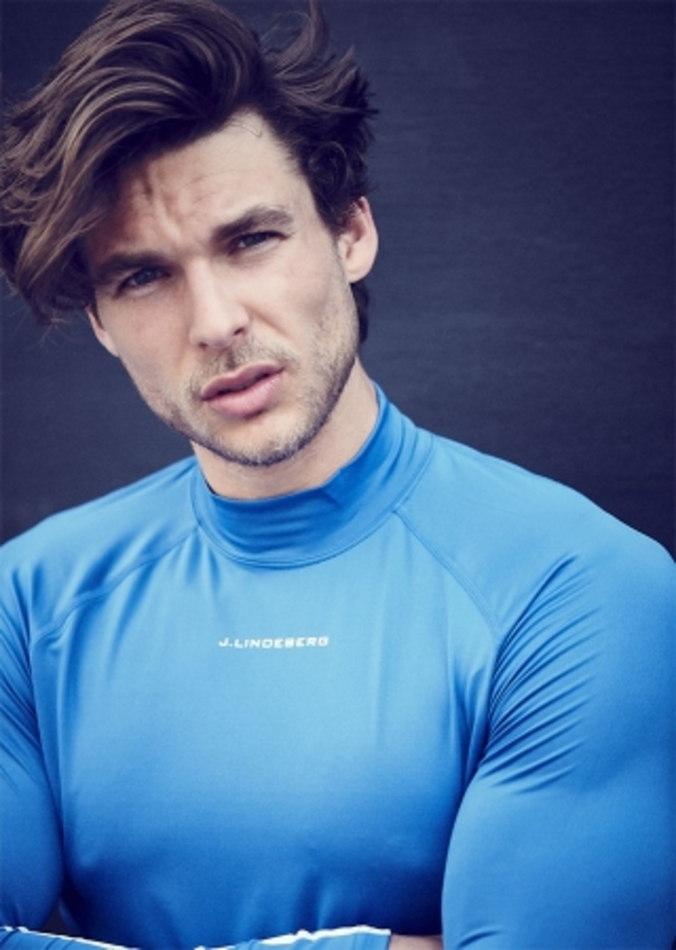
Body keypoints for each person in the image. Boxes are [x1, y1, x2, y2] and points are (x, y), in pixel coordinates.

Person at [0, 0, 673, 948]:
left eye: (251, 239)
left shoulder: (581, 590)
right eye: (142, 276)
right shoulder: (27, 602)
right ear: (102, 323)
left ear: (351, 231)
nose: (215, 322)